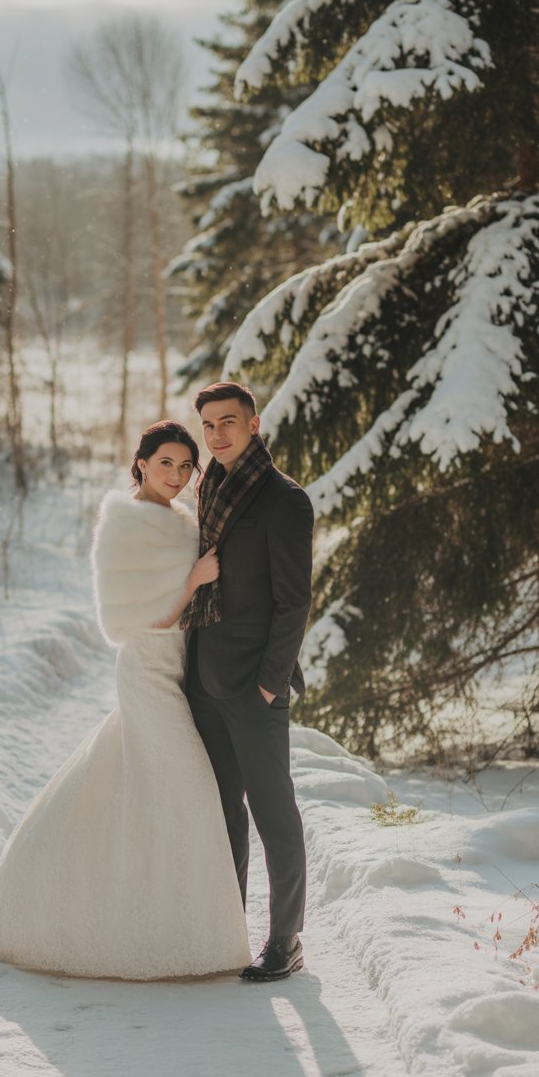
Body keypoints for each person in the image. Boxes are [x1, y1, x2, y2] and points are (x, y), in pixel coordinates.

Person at [0, 421, 251, 980]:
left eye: (184, 466)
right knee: (185, 784)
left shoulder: (183, 520)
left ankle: (175, 926)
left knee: (148, 789)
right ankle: (149, 932)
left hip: (180, 669)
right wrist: (194, 581)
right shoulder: (123, 525)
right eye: (164, 462)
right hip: (148, 667)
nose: (174, 475)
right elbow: (130, 622)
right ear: (141, 463)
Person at [182, 382, 314, 982]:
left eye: (229, 422)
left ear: (254, 425)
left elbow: (294, 603)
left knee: (272, 812)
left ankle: (285, 940)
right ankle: (225, 928)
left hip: (254, 685)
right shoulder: (207, 487)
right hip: (204, 679)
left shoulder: (284, 501)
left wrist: (269, 683)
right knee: (222, 814)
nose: (217, 435)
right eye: (208, 425)